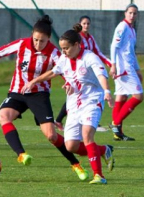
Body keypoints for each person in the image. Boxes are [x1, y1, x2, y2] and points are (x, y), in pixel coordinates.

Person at [0, 15, 89, 181]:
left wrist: (69, 83)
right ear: (32, 35)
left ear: (48, 39)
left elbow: (65, 69)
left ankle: (76, 164)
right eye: (35, 39)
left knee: (51, 136)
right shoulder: (21, 44)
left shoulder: (55, 53)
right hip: (17, 93)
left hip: (39, 95)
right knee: (3, 116)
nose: (38, 44)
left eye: (42, 41)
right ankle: (21, 154)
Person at [22, 28, 115, 184]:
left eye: (66, 48)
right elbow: (53, 72)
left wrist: (106, 91)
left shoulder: (90, 57)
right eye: (62, 48)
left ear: (77, 45)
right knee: (71, 146)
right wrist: (34, 81)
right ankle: (104, 150)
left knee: (87, 135)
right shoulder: (64, 59)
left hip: (92, 101)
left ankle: (99, 175)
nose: (63, 52)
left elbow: (101, 75)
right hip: (73, 104)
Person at [55, 17, 111, 132]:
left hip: (88, 71)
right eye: (84, 23)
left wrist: (110, 63)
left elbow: (97, 52)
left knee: (82, 94)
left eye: (88, 23)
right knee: (76, 94)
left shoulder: (90, 38)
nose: (86, 26)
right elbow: (66, 60)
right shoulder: (74, 39)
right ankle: (62, 119)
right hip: (78, 71)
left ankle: (88, 120)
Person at [109, 3, 144, 141]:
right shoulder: (122, 27)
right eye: (130, 12)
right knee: (138, 97)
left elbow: (131, 52)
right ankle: (116, 123)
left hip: (129, 67)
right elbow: (113, 46)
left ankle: (118, 133)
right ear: (125, 13)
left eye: (135, 13)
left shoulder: (132, 30)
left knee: (121, 98)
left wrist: (138, 69)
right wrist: (113, 65)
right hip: (124, 69)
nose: (132, 15)